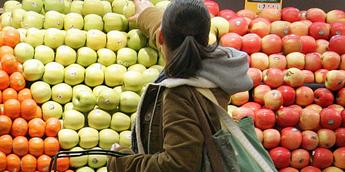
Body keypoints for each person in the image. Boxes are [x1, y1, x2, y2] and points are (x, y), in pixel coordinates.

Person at [107, 0, 253, 171]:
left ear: (162, 38)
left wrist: (121, 163)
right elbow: (181, 39)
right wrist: (147, 14)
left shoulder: (180, 94)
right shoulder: (218, 66)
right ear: (206, 38)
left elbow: (178, 165)